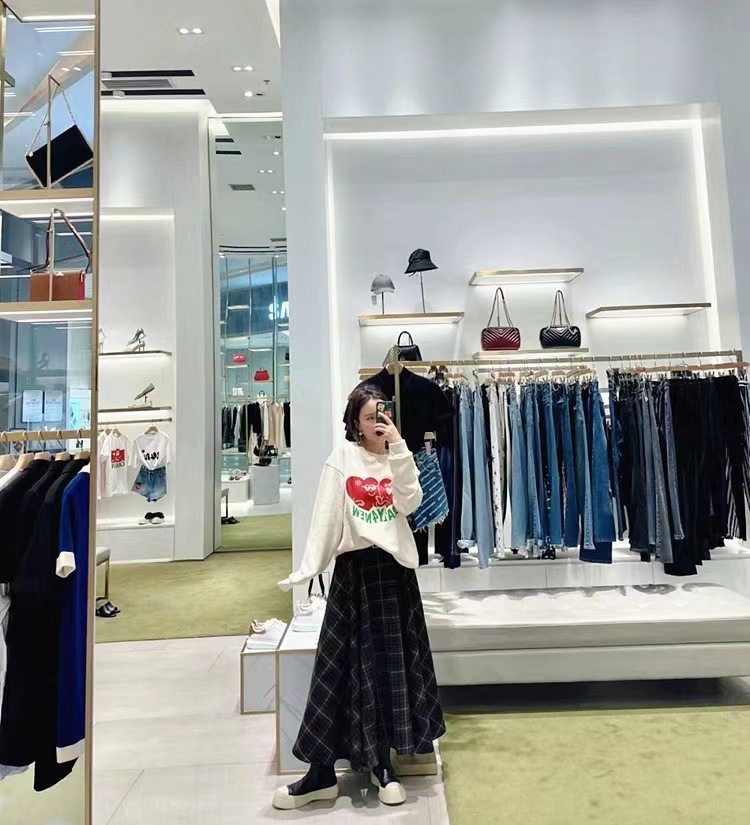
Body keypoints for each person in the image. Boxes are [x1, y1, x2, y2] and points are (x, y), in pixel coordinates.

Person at [273, 384, 446, 810]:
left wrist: (399, 448)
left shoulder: (398, 456)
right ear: (355, 422)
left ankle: (382, 764)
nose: (377, 422)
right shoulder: (342, 459)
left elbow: (411, 503)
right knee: (335, 669)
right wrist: (307, 570)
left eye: (382, 414)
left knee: (389, 668)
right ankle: (320, 772)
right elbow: (326, 517)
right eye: (369, 416)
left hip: (394, 574)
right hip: (354, 573)